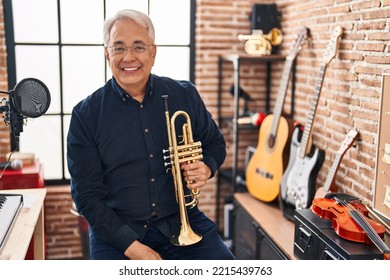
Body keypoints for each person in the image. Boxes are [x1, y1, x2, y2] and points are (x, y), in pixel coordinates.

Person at [67, 9, 235, 260]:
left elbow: (214, 143)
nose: (129, 57)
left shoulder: (184, 94)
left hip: (181, 221)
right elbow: (86, 197)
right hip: (117, 232)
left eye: (138, 47)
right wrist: (132, 247)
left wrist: (206, 167)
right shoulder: (86, 115)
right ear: (107, 54)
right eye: (119, 48)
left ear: (153, 52)